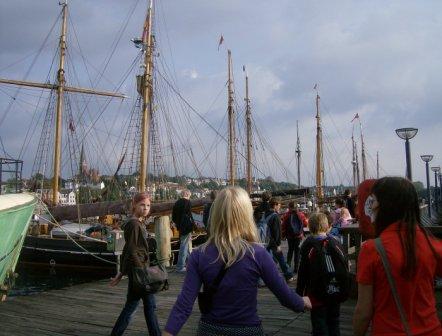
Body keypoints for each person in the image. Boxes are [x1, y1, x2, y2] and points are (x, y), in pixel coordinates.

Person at [163, 187, 311, 336]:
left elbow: (184, 305)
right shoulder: (258, 254)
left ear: (216, 213)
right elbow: (283, 294)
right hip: (247, 329)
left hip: (209, 329)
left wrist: (169, 332)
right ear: (246, 215)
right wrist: (302, 302)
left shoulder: (199, 255)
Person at [353, 177, 442, 336]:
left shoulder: (372, 249)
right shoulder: (432, 244)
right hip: (432, 329)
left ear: (383, 206)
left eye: (373, 202)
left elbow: (364, 311)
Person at [110, 192, 161, 336]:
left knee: (134, 305)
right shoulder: (134, 224)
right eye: (142, 205)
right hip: (140, 272)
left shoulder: (137, 223)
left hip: (136, 271)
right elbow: (131, 250)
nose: (146, 208)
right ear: (134, 205)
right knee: (148, 306)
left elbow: (128, 248)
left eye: (148, 205)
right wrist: (141, 271)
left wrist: (121, 273)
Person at [297, 213, 345, 336]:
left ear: (310, 227)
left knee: (319, 323)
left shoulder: (308, 245)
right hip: (335, 291)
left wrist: (299, 294)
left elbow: (302, 273)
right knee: (334, 322)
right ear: (327, 226)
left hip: (317, 293)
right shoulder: (336, 242)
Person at [265, 197, 294, 281]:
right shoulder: (275, 216)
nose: (280, 207)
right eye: (279, 205)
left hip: (266, 240)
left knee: (271, 259)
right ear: (275, 205)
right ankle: (288, 275)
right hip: (273, 241)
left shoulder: (266, 214)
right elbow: (277, 231)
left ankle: (269, 275)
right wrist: (278, 244)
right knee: (281, 259)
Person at [281, 201, 308, 274]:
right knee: (297, 252)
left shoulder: (286, 215)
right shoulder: (301, 215)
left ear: (289, 207)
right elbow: (305, 224)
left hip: (290, 236)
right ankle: (296, 268)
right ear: (297, 207)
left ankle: (288, 267)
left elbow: (283, 226)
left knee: (290, 251)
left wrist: (283, 236)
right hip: (299, 236)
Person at [172, 189, 194, 273]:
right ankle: (180, 266)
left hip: (180, 227)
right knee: (184, 246)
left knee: (186, 245)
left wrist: (178, 224)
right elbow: (189, 216)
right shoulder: (187, 202)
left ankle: (190, 264)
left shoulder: (177, 203)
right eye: (190, 196)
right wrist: (193, 226)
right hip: (186, 227)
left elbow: (174, 217)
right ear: (188, 194)